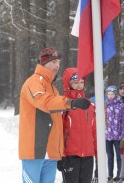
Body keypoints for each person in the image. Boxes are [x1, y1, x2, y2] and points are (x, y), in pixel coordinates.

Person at [18, 48, 91, 183]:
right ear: (43, 62)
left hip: (51, 151)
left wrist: (60, 152)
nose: (57, 65)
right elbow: (45, 102)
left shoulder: (53, 88)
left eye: (59, 62)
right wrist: (71, 102)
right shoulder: (34, 82)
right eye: (53, 62)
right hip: (35, 149)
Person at [57, 67, 97, 183]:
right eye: (75, 82)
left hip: (88, 156)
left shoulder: (90, 105)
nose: (79, 85)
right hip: (70, 156)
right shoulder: (63, 104)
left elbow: (95, 131)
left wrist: (98, 155)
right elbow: (58, 132)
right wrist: (60, 155)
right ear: (68, 83)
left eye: (81, 82)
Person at [105, 85, 124, 183]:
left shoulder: (121, 105)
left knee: (119, 156)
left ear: (115, 94)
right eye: (108, 94)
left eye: (112, 94)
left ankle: (119, 175)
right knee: (110, 156)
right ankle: (110, 175)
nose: (110, 96)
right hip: (108, 136)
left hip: (118, 136)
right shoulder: (105, 105)